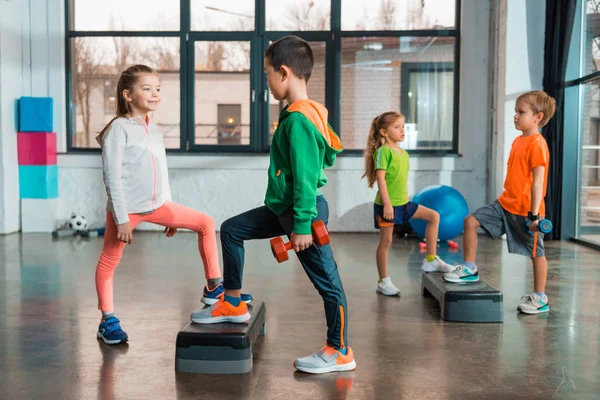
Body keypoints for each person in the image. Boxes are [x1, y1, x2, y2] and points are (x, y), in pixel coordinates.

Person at [190, 36, 356, 374]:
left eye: (267, 75)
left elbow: (307, 177)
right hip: (283, 209)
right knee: (232, 230)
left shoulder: (299, 120)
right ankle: (233, 301)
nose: (266, 83)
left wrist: (301, 225)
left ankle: (340, 350)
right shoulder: (303, 113)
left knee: (328, 284)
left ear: (284, 72)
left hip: (300, 213)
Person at [95, 64, 250, 345]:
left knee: (206, 223)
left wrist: (167, 213)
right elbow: (111, 177)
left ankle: (214, 287)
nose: (154, 94)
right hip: (127, 210)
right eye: (147, 89)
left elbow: (160, 171)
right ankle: (107, 320)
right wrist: (121, 219)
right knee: (109, 261)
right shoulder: (119, 129)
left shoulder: (154, 130)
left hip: (157, 205)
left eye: (157, 89)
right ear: (128, 95)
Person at [444, 90, 556, 315]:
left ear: (538, 117)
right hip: (505, 204)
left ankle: (540, 297)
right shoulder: (518, 141)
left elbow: (538, 182)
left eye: (521, 112)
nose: (516, 116)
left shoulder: (537, 144)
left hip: (527, 212)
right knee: (470, 221)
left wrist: (534, 216)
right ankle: (469, 268)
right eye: (515, 111)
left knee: (536, 254)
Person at [363, 111, 454, 296]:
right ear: (384, 132)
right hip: (387, 205)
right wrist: (388, 204)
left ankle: (430, 259)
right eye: (396, 127)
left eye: (403, 127)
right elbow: (381, 179)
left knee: (433, 216)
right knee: (386, 242)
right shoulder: (384, 152)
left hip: (404, 204)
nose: (402, 131)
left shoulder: (403, 153)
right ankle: (383, 281)